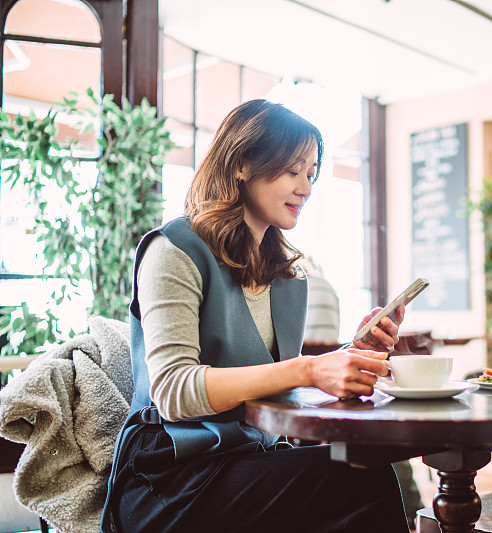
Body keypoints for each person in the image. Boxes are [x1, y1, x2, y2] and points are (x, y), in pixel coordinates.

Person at [101, 100, 409, 533]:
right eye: (292, 170)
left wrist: (353, 352)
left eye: (311, 174)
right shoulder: (174, 249)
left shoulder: (286, 274)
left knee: (362, 470)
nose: (305, 187)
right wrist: (308, 368)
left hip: (249, 459)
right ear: (243, 162)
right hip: (169, 476)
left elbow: (277, 380)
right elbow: (172, 392)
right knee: (361, 478)